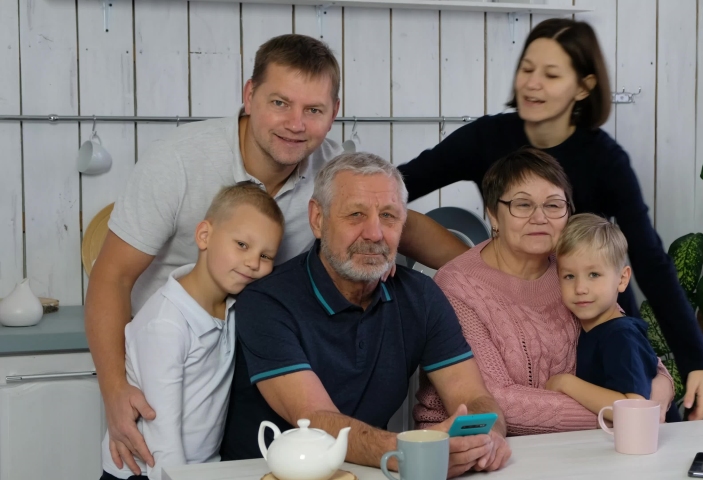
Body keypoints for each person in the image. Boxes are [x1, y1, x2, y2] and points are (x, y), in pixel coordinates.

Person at [86, 34, 467, 476]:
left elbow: (405, 223)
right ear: (250, 96)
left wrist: (472, 265)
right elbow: (111, 278)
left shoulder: (331, 170)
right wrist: (115, 389)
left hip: (243, 363)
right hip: (169, 359)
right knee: (152, 463)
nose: (295, 124)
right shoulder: (177, 162)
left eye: (314, 110)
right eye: (280, 103)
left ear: (334, 114)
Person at [398, 18, 703, 419]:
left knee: (647, 428)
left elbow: (649, 260)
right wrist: (462, 264)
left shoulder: (604, 160)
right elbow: (395, 187)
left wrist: (695, 359)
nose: (532, 84)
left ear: (583, 87)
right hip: (533, 348)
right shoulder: (486, 139)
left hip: (601, 320)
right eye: (527, 69)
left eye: (551, 75)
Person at [220, 153, 511, 478]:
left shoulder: (421, 296)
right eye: (356, 214)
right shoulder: (268, 301)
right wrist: (411, 453)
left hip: (369, 471)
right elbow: (316, 419)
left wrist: (487, 438)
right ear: (317, 219)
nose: (374, 233)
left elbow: (473, 396)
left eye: (388, 216)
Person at [414, 148, 674, 435]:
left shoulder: (573, 270)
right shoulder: (458, 286)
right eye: (523, 204)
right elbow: (495, 404)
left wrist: (661, 387)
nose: (539, 217)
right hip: (471, 443)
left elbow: (632, 349)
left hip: (577, 443)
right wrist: (625, 413)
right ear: (493, 215)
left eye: (553, 205)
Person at [99, 183, 284, 480]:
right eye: (242, 245)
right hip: (147, 472)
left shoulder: (235, 308)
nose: (253, 263)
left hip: (198, 469)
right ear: (204, 236)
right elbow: (163, 443)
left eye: (266, 256)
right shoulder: (166, 324)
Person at [545, 213, 679, 422]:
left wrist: (566, 383)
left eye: (594, 275)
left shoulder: (621, 336)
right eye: (569, 276)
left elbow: (635, 409)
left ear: (622, 279)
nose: (580, 288)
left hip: (647, 441)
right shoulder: (590, 330)